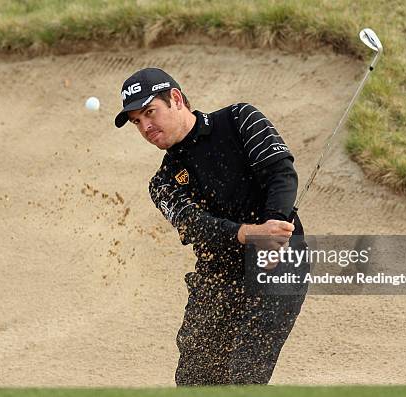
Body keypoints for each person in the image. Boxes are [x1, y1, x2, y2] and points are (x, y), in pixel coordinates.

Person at [114, 68, 308, 385]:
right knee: (195, 379)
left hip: (281, 265)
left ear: (176, 99)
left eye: (150, 112)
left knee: (243, 375)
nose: (146, 127)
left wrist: (274, 223)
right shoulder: (162, 183)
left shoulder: (239, 119)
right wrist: (249, 234)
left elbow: (280, 173)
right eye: (137, 121)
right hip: (218, 276)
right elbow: (195, 226)